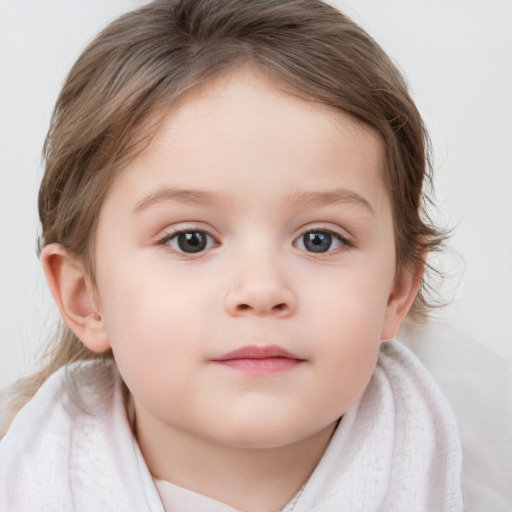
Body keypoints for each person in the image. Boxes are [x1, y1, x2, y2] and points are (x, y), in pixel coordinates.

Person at [0, 0, 506, 510]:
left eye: (319, 239)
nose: (262, 290)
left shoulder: (477, 476)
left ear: (397, 290)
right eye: (190, 239)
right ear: (86, 298)